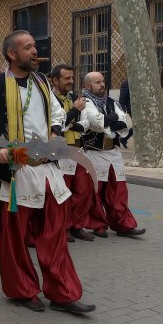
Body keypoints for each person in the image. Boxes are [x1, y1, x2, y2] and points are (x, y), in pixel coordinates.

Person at [0, 30, 95, 314]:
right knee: (15, 239)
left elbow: (56, 114)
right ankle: (22, 291)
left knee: (54, 235)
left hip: (47, 170)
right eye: (28, 47)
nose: (34, 52)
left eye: (35, 46)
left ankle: (63, 293)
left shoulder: (41, 82)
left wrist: (55, 132)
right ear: (12, 54)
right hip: (17, 174)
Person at [80, 72, 146, 238]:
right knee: (97, 191)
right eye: (98, 82)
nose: (102, 84)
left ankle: (123, 224)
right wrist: (115, 118)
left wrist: (110, 121)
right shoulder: (85, 103)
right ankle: (98, 225)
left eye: (103, 81)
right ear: (88, 86)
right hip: (95, 153)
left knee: (118, 190)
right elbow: (96, 123)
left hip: (114, 152)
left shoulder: (112, 102)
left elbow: (126, 122)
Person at [49, 64, 96, 243]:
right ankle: (64, 227)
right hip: (61, 153)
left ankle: (77, 225)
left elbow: (86, 124)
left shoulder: (75, 98)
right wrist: (74, 112)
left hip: (78, 150)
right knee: (64, 192)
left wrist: (71, 120)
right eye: (66, 78)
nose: (71, 81)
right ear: (55, 80)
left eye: (71, 78)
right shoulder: (50, 100)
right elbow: (58, 125)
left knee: (83, 190)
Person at [119, 79, 133, 148]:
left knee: (139, 126)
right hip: (132, 108)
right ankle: (123, 138)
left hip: (140, 108)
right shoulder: (126, 83)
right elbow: (122, 99)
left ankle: (124, 139)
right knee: (137, 127)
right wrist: (123, 112)